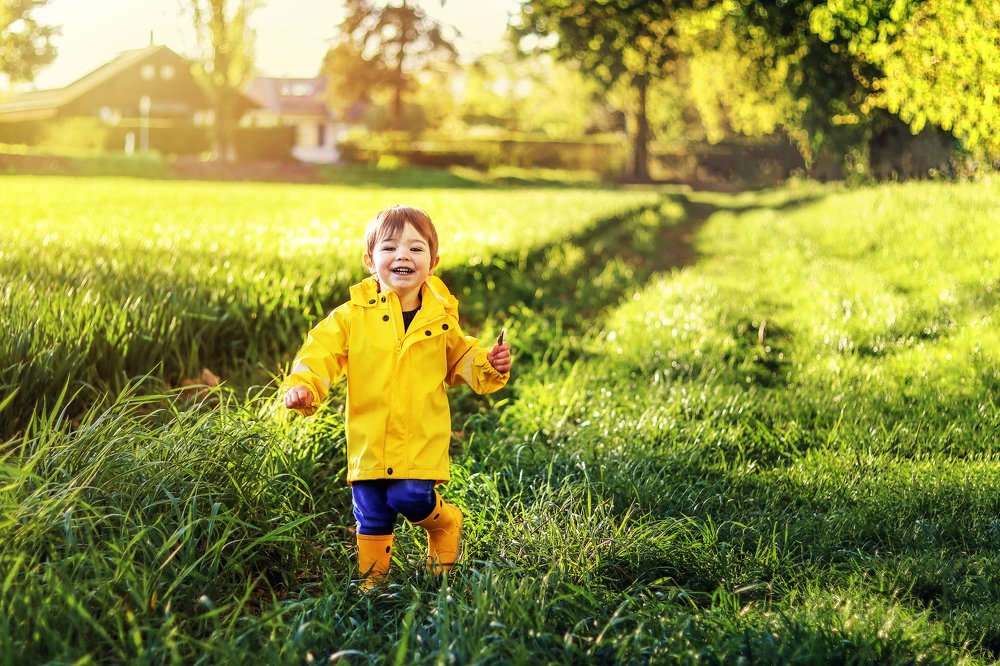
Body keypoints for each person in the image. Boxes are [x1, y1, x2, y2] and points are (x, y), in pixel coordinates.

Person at [281, 205, 512, 589]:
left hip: (419, 437)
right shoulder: (350, 317)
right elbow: (320, 353)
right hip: (369, 438)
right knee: (371, 512)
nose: (402, 255)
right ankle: (373, 588)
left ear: (432, 262)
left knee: (408, 496)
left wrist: (490, 364)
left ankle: (445, 523)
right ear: (370, 260)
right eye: (390, 248)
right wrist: (305, 386)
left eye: (415, 249)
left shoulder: (440, 320)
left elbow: (463, 358)